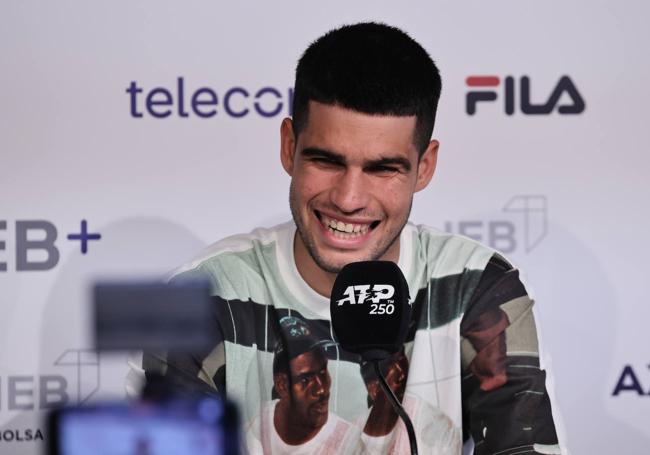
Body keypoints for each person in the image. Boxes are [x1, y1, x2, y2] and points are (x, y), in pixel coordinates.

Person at [130, 22, 563, 454]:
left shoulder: (477, 289)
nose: (349, 199)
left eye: (382, 168)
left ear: (425, 167)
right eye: (326, 160)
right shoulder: (200, 298)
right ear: (288, 146)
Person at [245, 316, 357, 454]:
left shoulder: (350, 444)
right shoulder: (257, 428)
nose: (321, 389)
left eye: (323, 372)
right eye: (306, 380)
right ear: (282, 385)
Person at [358, 349, 461, 454]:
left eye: (403, 362)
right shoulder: (350, 437)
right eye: (397, 375)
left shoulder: (438, 428)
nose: (404, 375)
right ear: (373, 390)